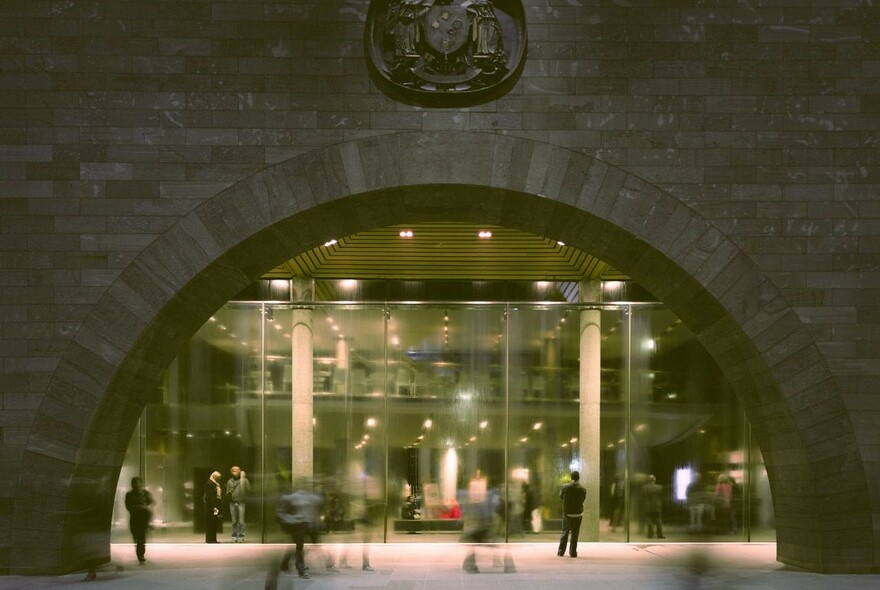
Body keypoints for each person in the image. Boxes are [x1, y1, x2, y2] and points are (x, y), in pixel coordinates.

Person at [124, 477, 154, 564]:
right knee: (136, 537)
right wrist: (139, 507)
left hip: (143, 518)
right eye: (135, 483)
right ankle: (140, 552)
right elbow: (128, 507)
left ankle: (140, 555)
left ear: (141, 484)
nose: (137, 485)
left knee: (141, 537)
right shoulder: (129, 495)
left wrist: (146, 508)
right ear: (132, 485)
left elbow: (152, 503)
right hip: (134, 518)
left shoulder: (146, 494)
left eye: (138, 483)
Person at [557, 470, 586, 558]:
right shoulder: (583, 489)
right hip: (578, 514)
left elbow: (561, 497)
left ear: (571, 478)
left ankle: (561, 551)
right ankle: (573, 552)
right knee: (575, 533)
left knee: (565, 532)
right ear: (579, 478)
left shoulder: (565, 487)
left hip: (567, 513)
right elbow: (583, 500)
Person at [226, 466, 250, 543]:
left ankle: (241, 536)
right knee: (234, 521)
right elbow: (227, 492)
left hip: (241, 502)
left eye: (237, 470)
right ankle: (234, 536)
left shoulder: (245, 480)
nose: (236, 471)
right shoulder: (230, 481)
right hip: (232, 502)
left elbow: (248, 490)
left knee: (241, 521)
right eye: (234, 470)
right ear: (231, 472)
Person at [642, 474, 665, 539]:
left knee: (649, 520)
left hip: (648, 506)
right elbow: (662, 496)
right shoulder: (659, 487)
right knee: (658, 520)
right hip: (657, 506)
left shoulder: (645, 487)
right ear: (654, 480)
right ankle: (659, 534)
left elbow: (643, 497)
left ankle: (650, 534)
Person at [203, 470, 223, 543]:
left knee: (214, 522)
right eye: (218, 477)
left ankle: (213, 539)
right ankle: (210, 539)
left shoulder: (215, 484)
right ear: (214, 476)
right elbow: (210, 496)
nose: (218, 479)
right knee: (211, 522)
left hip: (215, 506)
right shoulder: (210, 483)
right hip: (211, 507)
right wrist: (214, 506)